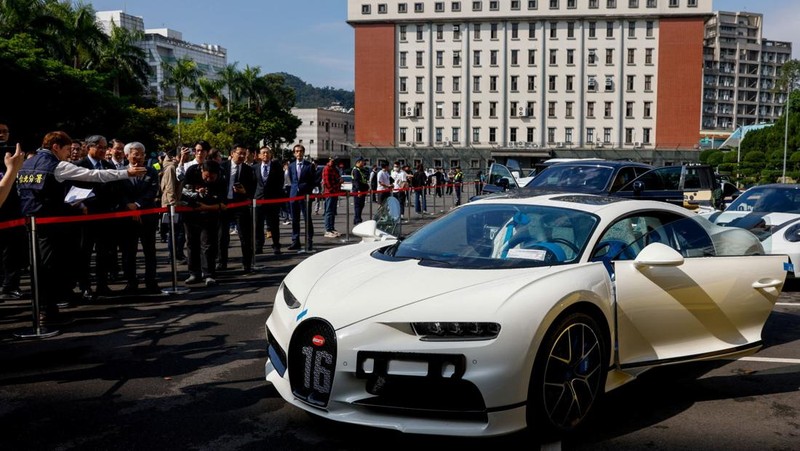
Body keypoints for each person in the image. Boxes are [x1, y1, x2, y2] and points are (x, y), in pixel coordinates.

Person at [17, 131, 146, 327]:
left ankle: (45, 308)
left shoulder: (26, 165)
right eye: (67, 150)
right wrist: (126, 173)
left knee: (38, 267)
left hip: (31, 223)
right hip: (52, 224)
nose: (69, 154)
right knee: (50, 268)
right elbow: (93, 175)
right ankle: (46, 311)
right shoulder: (56, 166)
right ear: (56, 147)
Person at [73, 135, 125, 300]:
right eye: (99, 147)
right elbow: (72, 190)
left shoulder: (108, 166)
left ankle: (102, 284)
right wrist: (82, 205)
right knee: (84, 253)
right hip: (85, 216)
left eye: (104, 147)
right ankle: (85, 286)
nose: (103, 150)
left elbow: (116, 189)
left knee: (105, 252)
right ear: (89, 148)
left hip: (106, 216)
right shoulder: (79, 166)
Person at [119, 142, 160, 294]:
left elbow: (152, 191)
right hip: (128, 217)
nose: (139, 157)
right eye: (135, 154)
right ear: (127, 155)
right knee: (129, 251)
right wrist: (128, 205)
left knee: (150, 250)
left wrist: (137, 205)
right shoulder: (120, 172)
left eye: (142, 154)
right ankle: (131, 281)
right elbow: (119, 192)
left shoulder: (151, 171)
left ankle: (151, 281)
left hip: (147, 215)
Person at [181, 160, 226, 286]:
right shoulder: (192, 171)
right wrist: (195, 194)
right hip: (190, 214)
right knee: (191, 244)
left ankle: (209, 274)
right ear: (201, 171)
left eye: (212, 177)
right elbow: (183, 191)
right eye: (206, 176)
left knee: (207, 245)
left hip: (210, 214)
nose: (208, 179)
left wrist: (205, 207)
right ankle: (194, 273)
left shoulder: (222, 178)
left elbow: (223, 205)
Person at [218, 144, 256, 273]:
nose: (242, 156)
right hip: (224, 205)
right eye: (239, 153)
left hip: (241, 206)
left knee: (245, 236)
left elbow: (253, 189)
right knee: (222, 236)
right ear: (232, 153)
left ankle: (247, 264)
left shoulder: (248, 170)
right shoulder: (222, 167)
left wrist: (245, 191)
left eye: (244, 153)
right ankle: (222, 262)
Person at [0, 123, 27, 301]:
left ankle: (11, 285)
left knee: (13, 251)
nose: (2, 135)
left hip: (13, 211)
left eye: (5, 132)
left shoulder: (14, 156)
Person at [253, 146, 284, 255]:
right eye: (263, 153)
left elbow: (281, 183)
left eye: (267, 153)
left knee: (274, 225)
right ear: (259, 155)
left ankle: (276, 245)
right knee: (258, 225)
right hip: (259, 200)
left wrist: (278, 198)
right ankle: (258, 246)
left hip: (273, 201)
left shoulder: (277, 167)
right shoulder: (255, 167)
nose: (265, 155)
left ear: (270, 155)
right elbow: (253, 184)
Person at [287, 144, 316, 251]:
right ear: (294, 153)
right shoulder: (291, 166)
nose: (298, 153)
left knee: (307, 219)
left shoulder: (309, 165)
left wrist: (307, 189)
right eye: (296, 151)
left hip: (305, 195)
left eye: (300, 151)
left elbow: (313, 180)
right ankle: (295, 241)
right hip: (294, 195)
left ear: (303, 153)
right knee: (295, 219)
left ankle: (309, 241)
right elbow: (292, 179)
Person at [159, 147, 186, 263]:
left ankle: (177, 254)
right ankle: (175, 255)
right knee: (176, 232)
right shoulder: (171, 168)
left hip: (177, 203)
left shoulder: (176, 166)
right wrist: (173, 204)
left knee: (178, 232)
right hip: (172, 204)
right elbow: (169, 187)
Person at [322, 156, 343, 237]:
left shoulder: (334, 169)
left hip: (335, 192)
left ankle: (332, 228)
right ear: (331, 160)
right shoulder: (327, 168)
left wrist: (339, 181)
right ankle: (328, 230)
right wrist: (334, 188)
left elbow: (338, 178)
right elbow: (327, 183)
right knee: (329, 211)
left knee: (333, 212)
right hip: (330, 193)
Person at [351, 158, 370, 225]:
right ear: (358, 162)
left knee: (361, 205)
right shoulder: (356, 170)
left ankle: (357, 218)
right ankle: (357, 220)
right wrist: (359, 190)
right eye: (363, 161)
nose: (364, 163)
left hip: (362, 190)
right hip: (358, 191)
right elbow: (356, 181)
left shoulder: (361, 170)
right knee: (358, 206)